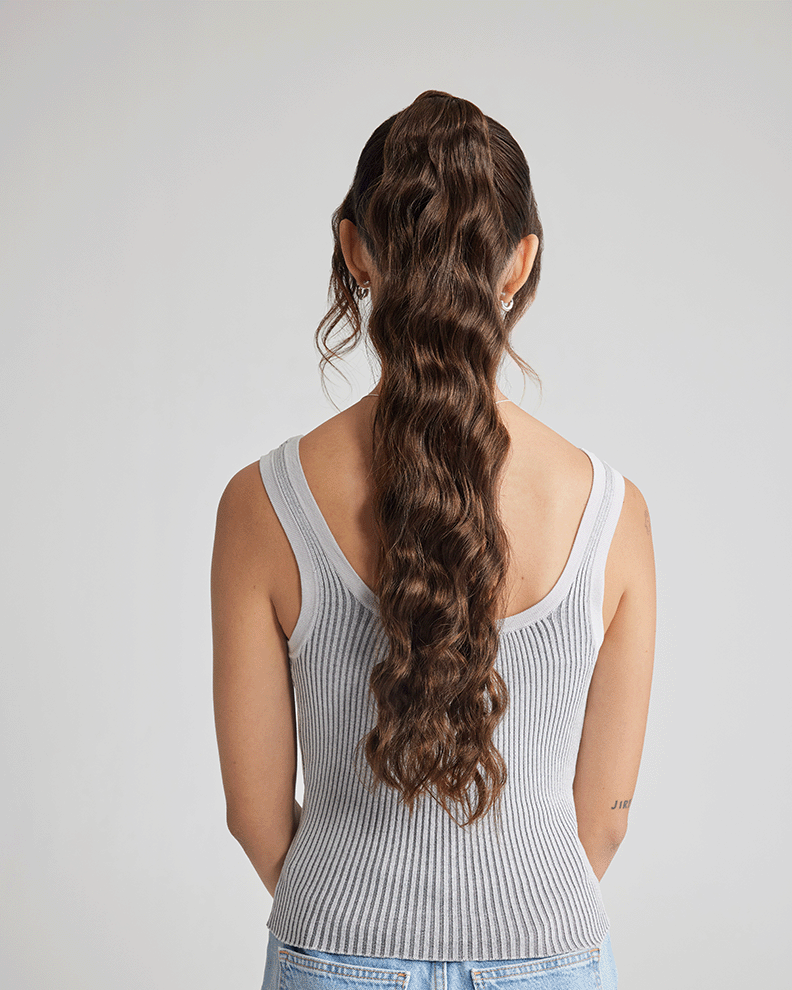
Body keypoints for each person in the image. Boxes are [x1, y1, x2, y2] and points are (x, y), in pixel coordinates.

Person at [211, 91, 656, 990]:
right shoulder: (610, 511)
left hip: (334, 948)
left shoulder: (263, 504)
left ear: (355, 249)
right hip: (549, 951)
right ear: (520, 263)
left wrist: (352, 920)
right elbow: (603, 821)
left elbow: (255, 817)